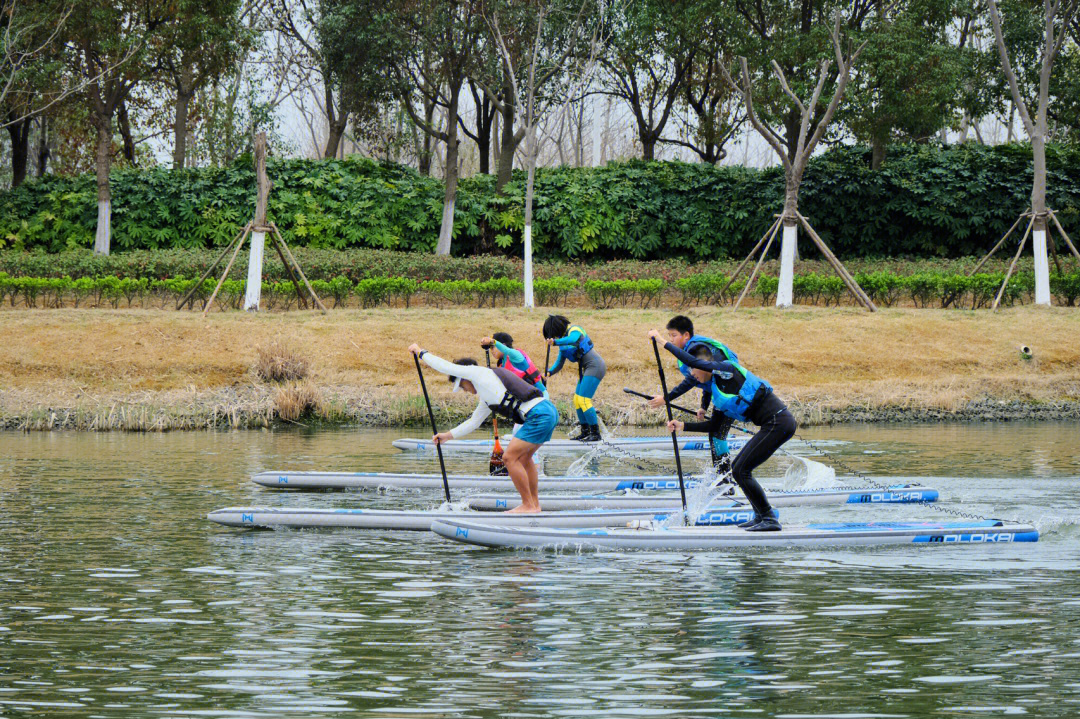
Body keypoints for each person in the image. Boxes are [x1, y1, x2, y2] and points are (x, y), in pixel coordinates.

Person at [647, 328, 796, 532]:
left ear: (705, 367)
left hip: (779, 422)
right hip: (772, 425)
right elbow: (714, 426)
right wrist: (683, 426)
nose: (691, 375)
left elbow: (696, 362)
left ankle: (769, 518)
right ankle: (761, 515)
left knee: (741, 470)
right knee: (739, 469)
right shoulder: (716, 392)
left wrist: (663, 342)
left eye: (693, 370)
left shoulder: (727, 370)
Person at [408, 343, 559, 513]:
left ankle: (528, 505)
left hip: (539, 414)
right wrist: (448, 436)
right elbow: (474, 421)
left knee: (509, 458)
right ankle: (534, 505)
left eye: (462, 386)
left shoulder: (477, 373)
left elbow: (446, 366)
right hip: (547, 411)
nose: (464, 391)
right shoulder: (487, 394)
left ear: (465, 376)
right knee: (524, 459)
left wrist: (421, 353)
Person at [647, 315, 739, 475]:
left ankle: (726, 482)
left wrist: (665, 399)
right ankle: (722, 478)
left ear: (686, 335)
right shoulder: (693, 349)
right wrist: (703, 406)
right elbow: (707, 381)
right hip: (724, 391)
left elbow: (693, 379)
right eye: (669, 336)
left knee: (717, 435)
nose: (672, 339)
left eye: (674, 335)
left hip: (731, 392)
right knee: (715, 434)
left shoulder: (696, 348)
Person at [543, 315, 605, 442]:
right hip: (585, 369)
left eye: (554, 335)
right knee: (577, 400)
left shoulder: (574, 330)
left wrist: (555, 342)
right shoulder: (563, 344)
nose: (555, 338)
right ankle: (585, 431)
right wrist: (548, 373)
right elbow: (559, 363)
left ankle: (596, 433)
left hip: (595, 365)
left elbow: (574, 339)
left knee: (584, 400)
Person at [481, 332, 548, 397]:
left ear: (503, 345)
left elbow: (507, 350)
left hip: (540, 396)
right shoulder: (502, 363)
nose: (491, 351)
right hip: (526, 397)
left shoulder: (516, 355)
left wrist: (493, 341)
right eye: (490, 348)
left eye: (492, 347)